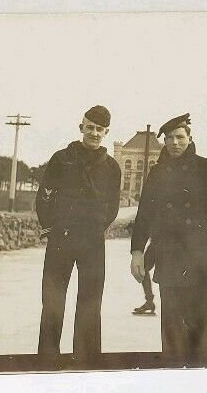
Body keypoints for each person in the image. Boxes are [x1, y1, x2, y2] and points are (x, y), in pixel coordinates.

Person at [130, 113, 207, 364]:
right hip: (170, 258)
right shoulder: (157, 173)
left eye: (180, 137)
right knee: (172, 328)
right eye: (170, 138)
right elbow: (144, 214)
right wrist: (137, 252)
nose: (175, 142)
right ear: (164, 140)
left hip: (200, 260)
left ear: (189, 138)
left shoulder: (206, 167)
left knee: (201, 325)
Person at [35, 105, 121, 360]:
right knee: (52, 302)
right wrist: (52, 227)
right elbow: (44, 196)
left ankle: (86, 361)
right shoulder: (61, 159)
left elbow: (113, 207)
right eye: (90, 127)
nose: (94, 133)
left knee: (90, 303)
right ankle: (47, 359)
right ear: (81, 127)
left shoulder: (112, 167)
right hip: (61, 239)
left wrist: (95, 227)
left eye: (99, 129)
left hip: (92, 242)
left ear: (106, 132)